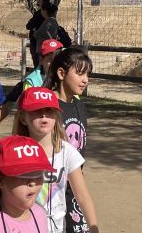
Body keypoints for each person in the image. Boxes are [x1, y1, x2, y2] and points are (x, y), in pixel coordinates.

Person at [13, 87, 98, 233]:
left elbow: (83, 196)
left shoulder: (67, 152)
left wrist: (93, 227)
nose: (44, 115)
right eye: (36, 110)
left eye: (49, 110)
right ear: (23, 118)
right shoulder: (14, 152)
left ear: (57, 115)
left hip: (57, 229)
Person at [44, 47, 93, 233]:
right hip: (50, 190)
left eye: (87, 74)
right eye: (80, 73)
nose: (85, 80)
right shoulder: (47, 108)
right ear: (61, 73)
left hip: (74, 189)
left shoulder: (79, 105)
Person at [0, 135, 51, 233]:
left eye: (37, 174)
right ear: (0, 180)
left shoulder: (40, 213)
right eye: (23, 175)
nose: (32, 182)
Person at [26, 0, 52, 68]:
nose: (36, 0)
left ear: (41, 0)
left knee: (39, 67)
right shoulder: (51, 13)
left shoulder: (39, 14)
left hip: (38, 45)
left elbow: (29, 25)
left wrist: (34, 29)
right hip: (45, 44)